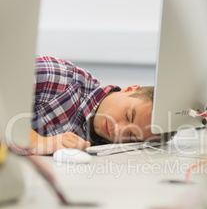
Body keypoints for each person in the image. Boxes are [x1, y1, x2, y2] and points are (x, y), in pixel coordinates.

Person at [30, 56, 161, 155]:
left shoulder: (104, 147)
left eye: (131, 136)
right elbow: (8, 86)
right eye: (128, 116)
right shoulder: (61, 77)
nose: (117, 130)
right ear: (129, 89)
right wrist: (39, 142)